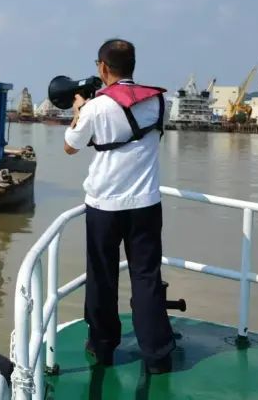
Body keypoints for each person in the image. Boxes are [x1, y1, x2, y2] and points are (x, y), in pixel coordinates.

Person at [63, 39, 175, 374]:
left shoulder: (95, 107)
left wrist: (78, 111)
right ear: (132, 65)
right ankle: (157, 353)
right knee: (146, 277)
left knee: (102, 276)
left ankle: (102, 346)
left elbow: (70, 146)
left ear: (102, 67)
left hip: (104, 206)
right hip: (146, 205)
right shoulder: (160, 101)